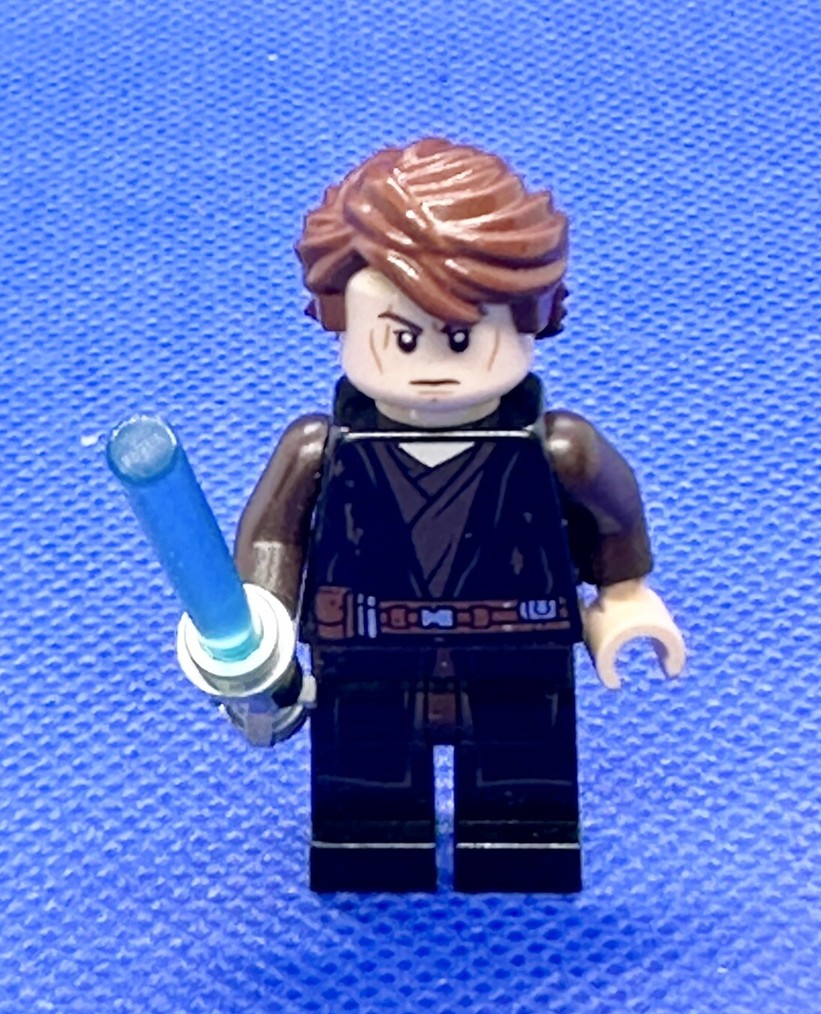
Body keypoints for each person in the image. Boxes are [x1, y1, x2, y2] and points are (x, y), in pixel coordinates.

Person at [232, 137, 686, 893]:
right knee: (364, 804)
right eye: (402, 337)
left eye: (462, 336)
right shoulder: (320, 450)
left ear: (531, 320)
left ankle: (523, 847)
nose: (432, 365)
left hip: (517, 648)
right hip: (365, 654)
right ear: (340, 320)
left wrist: (624, 597)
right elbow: (275, 536)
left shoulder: (558, 450)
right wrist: (258, 626)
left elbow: (612, 517)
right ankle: (368, 848)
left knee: (524, 796)